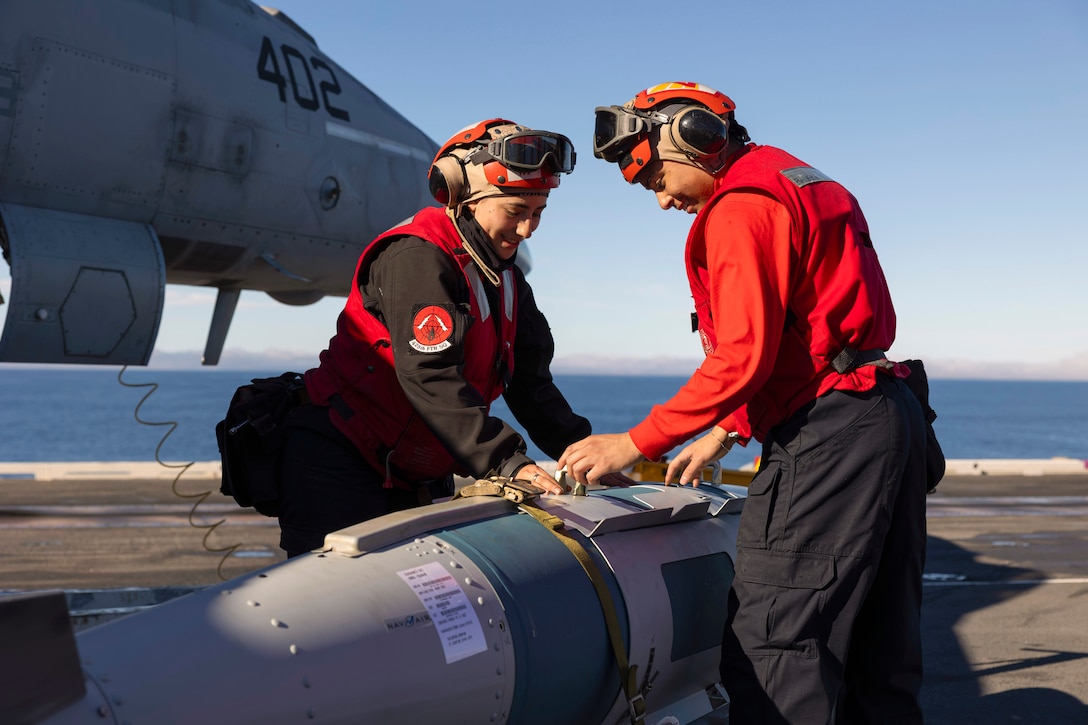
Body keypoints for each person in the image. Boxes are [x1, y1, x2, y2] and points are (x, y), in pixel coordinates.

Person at [558, 82, 928, 723]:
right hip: (885, 412)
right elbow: (806, 330)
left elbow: (742, 356)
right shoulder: (791, 177)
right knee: (877, 641)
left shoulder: (739, 207)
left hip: (830, 434)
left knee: (773, 642)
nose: (663, 199)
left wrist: (635, 442)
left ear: (692, 140)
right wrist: (728, 427)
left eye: (655, 179)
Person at [278, 118, 590, 558]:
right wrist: (506, 461)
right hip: (342, 461)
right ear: (464, 196)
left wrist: (580, 452)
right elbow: (430, 373)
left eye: (537, 213)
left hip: (418, 467)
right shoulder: (418, 256)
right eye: (516, 212)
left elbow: (529, 381)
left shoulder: (507, 277)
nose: (527, 231)